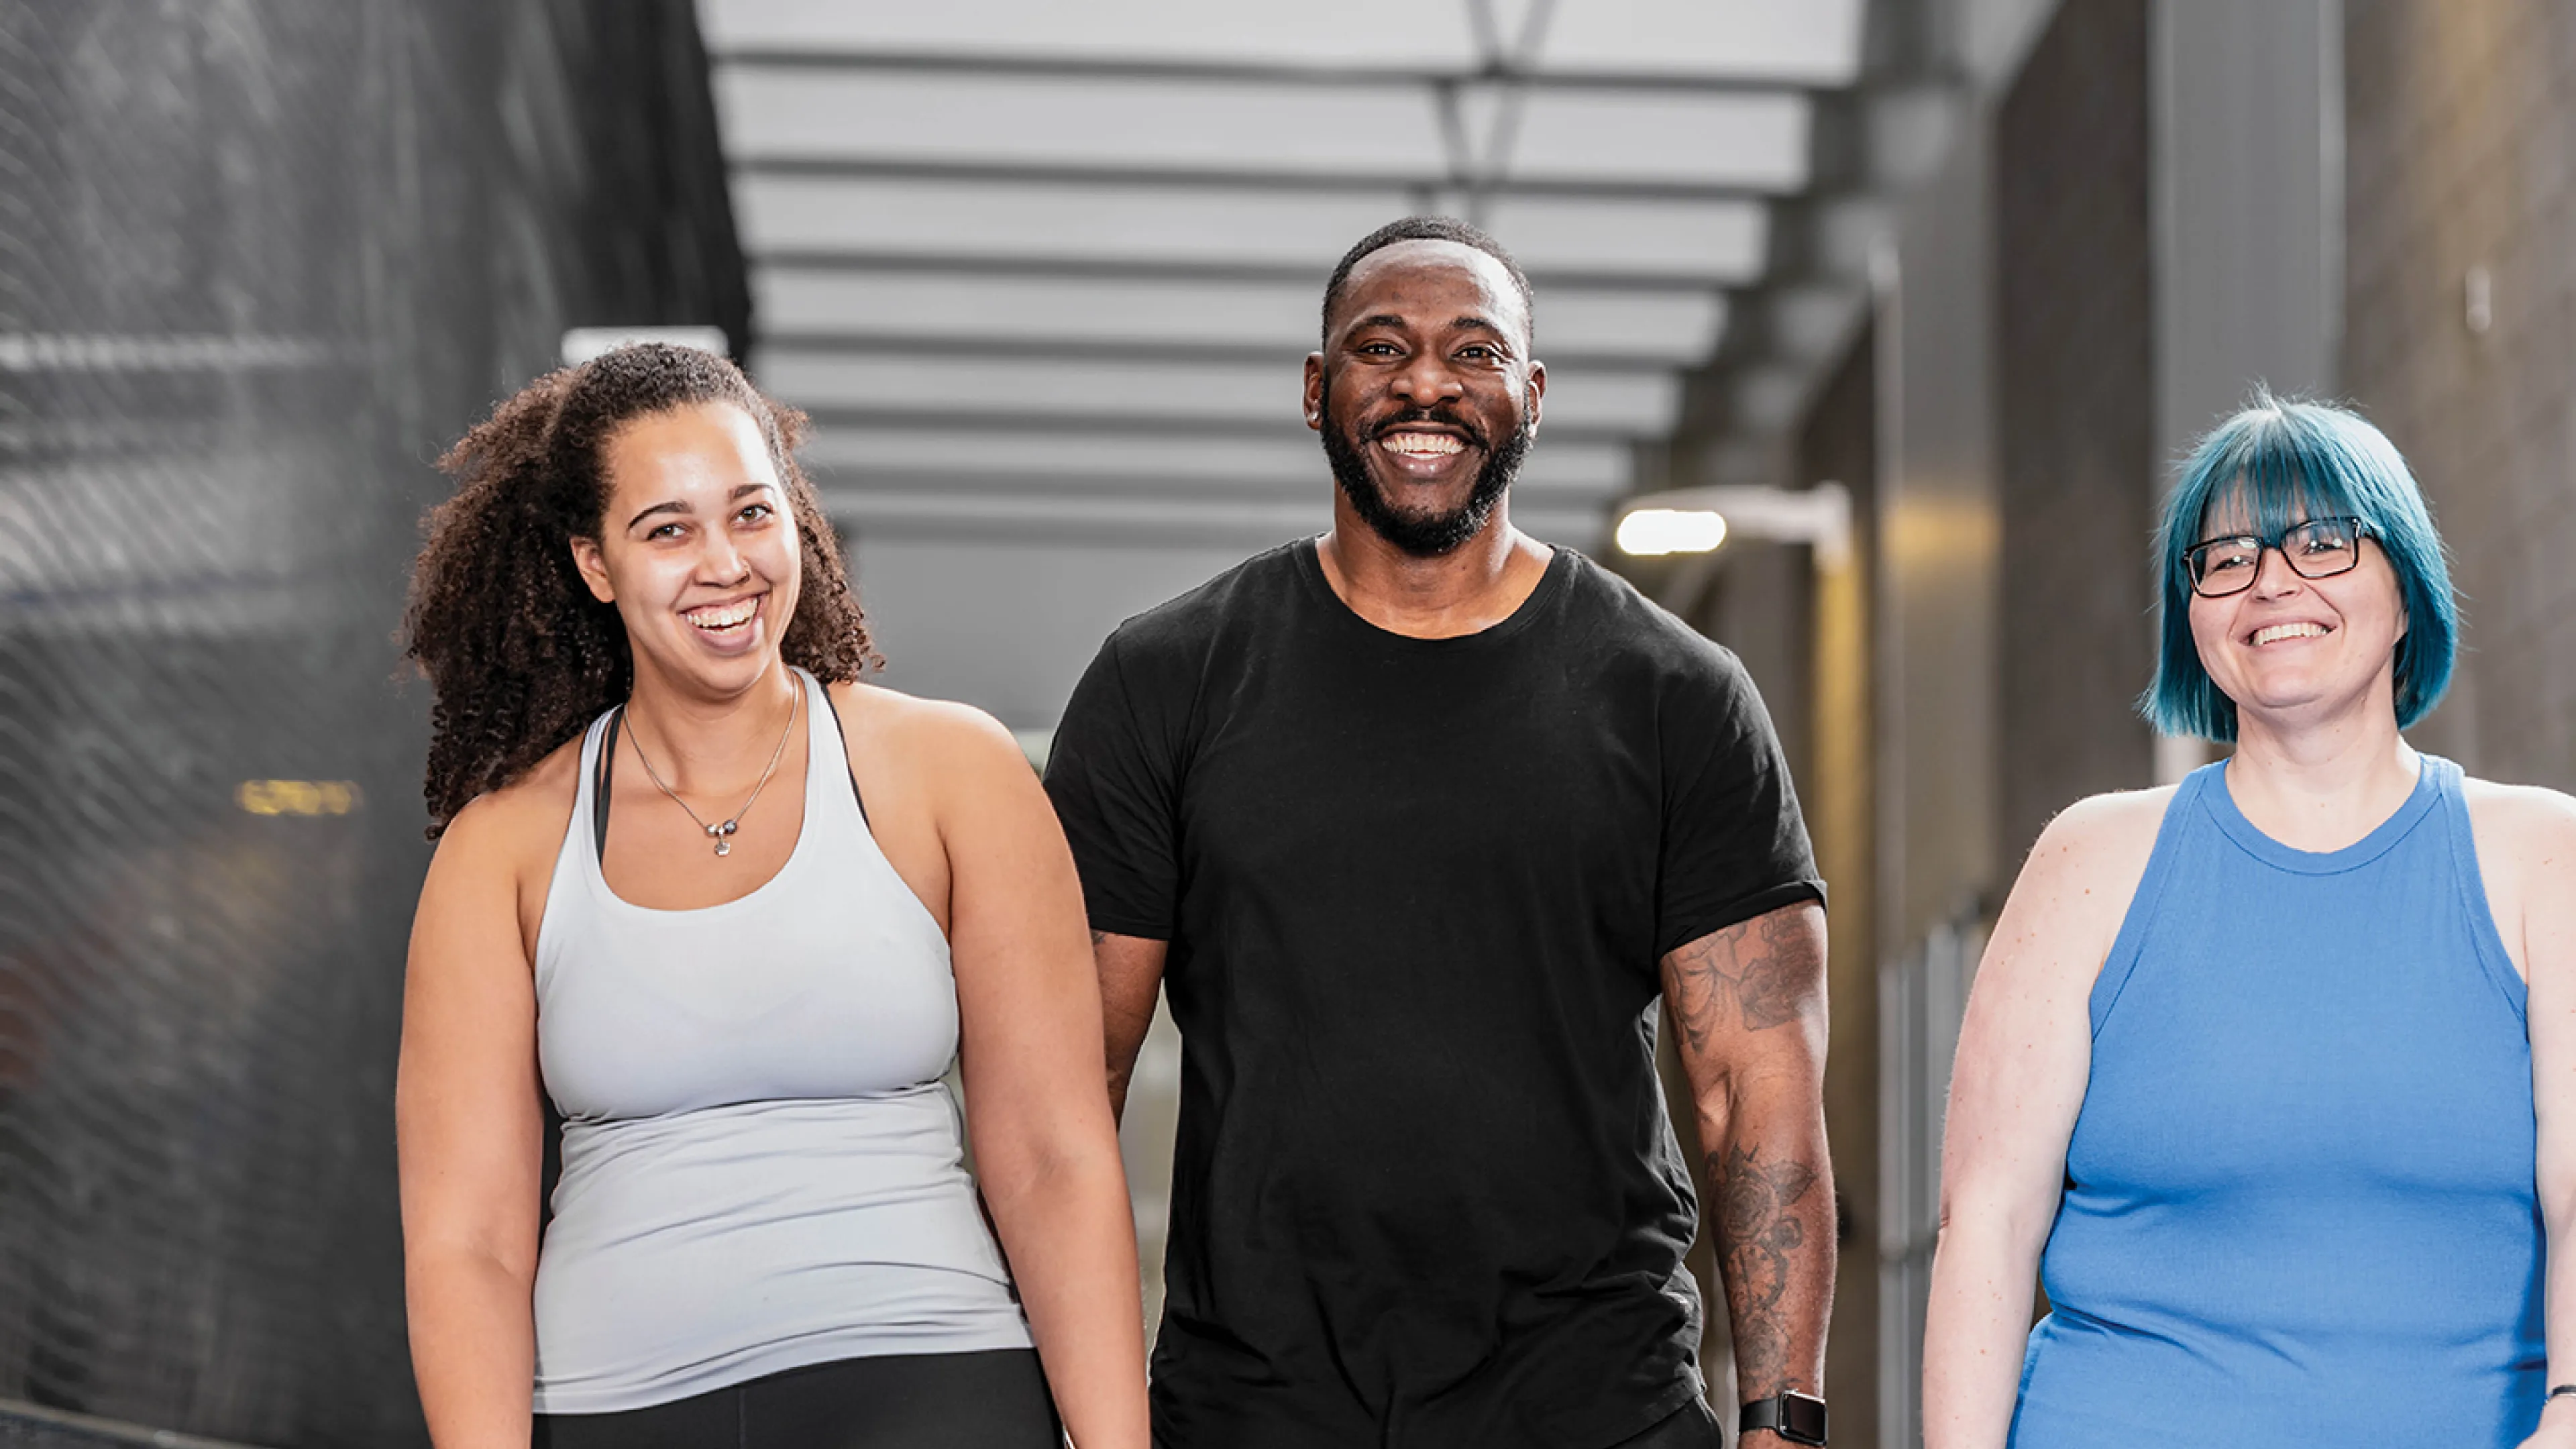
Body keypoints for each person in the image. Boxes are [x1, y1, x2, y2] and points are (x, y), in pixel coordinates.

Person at [1043, 217, 1837, 1449]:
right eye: (1381, 347)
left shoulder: (1677, 696)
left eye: (1474, 352)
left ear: (1531, 394)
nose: (1427, 383)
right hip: (1257, 1407)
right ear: (1317, 392)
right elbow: (1069, 1089)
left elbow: (1756, 1091)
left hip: (1594, 1400)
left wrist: (1782, 1425)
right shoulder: (1168, 682)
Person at [394, 343, 1150, 1449]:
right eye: (668, 530)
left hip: (931, 1374)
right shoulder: (503, 848)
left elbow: (1051, 1157)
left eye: (752, 513)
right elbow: (469, 1240)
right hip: (618, 1404)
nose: (725, 564)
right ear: (594, 564)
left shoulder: (951, 772)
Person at [1923, 395, 2574, 1447]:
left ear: (2405, 591)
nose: (2272, 580)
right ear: (2194, 615)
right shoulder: (2089, 863)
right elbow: (1986, 1224)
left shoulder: (2546, 858)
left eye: (2324, 540)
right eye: (2225, 557)